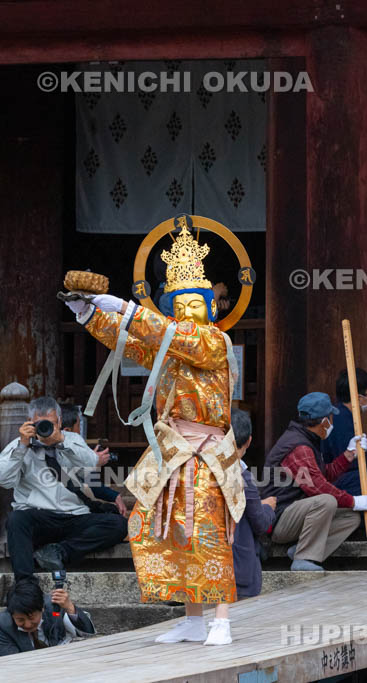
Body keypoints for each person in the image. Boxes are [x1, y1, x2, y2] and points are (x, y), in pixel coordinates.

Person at [67, 215, 245, 646]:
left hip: (205, 453)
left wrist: (127, 309)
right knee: (153, 526)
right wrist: (90, 314)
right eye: (179, 303)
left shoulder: (214, 344)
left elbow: (171, 333)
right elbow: (132, 342)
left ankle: (221, 616)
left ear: (210, 305)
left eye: (195, 303)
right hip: (170, 452)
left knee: (206, 529)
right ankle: (192, 616)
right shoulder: (168, 349)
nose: (187, 311)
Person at [0, 396, 128, 580]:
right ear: (30, 423)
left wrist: (62, 441)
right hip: (39, 519)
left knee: (118, 524)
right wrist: (22, 446)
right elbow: (1, 479)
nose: (47, 429)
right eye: (41, 425)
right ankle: (25, 583)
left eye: (52, 424)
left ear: (60, 421)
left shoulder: (72, 439)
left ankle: (59, 552)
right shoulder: (19, 445)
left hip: (74, 516)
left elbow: (91, 462)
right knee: (16, 520)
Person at [260, 392, 367, 571]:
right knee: (326, 500)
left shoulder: (307, 439)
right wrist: (354, 500)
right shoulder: (298, 446)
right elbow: (318, 487)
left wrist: (349, 454)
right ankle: (304, 559)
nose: (331, 423)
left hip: (296, 512)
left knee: (350, 518)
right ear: (324, 422)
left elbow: (323, 474)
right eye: (330, 418)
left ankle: (300, 550)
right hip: (280, 519)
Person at [320, 368, 367, 521]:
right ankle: (346, 520)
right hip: (333, 484)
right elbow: (347, 460)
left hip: (340, 481)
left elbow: (354, 454)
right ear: (358, 397)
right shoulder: (341, 418)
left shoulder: (345, 415)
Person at [230, 408, 276, 599]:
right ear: (249, 440)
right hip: (239, 568)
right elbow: (260, 524)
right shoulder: (242, 477)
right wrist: (268, 507)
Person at [0, 576, 95, 656]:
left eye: (32, 617)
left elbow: (88, 634)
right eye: (20, 620)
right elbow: (10, 660)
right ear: (11, 615)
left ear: (42, 608)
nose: (27, 625)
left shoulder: (55, 609)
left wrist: (70, 608)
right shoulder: (2, 624)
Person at [58, 403, 127, 516]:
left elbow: (90, 480)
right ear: (67, 431)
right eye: (78, 426)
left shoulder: (73, 449)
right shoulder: (56, 450)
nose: (80, 432)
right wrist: (91, 462)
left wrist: (114, 496)